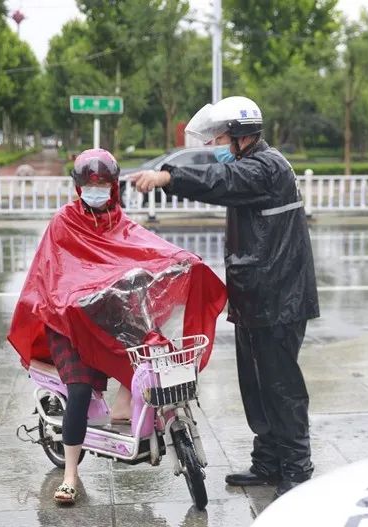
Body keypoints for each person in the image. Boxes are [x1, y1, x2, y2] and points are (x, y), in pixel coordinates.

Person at [8, 148, 226, 505]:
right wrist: (73, 296)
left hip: (104, 316)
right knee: (79, 391)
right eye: (89, 185)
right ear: (78, 187)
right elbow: (52, 275)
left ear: (113, 187)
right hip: (66, 320)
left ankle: (125, 409)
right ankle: (70, 475)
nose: (96, 191)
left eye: (103, 185)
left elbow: (147, 248)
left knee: (146, 352)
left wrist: (183, 261)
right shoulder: (64, 222)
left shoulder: (119, 222)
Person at [131, 96, 320, 498]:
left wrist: (168, 177)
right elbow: (225, 178)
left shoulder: (266, 167)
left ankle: (297, 467)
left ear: (239, 135)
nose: (215, 144)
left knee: (281, 387)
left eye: (219, 137)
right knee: (256, 386)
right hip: (257, 295)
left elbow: (219, 180)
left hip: (279, 297)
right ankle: (268, 463)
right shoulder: (251, 163)